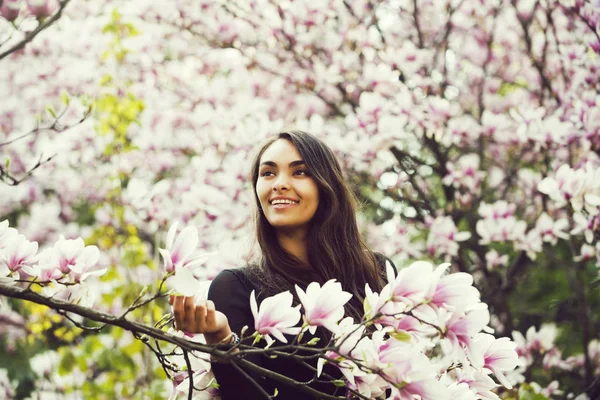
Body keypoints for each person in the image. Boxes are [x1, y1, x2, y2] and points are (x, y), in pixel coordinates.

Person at [170, 131, 397, 399]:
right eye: (268, 173)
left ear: (327, 186)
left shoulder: (376, 272)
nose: (279, 184)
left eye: (299, 172)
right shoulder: (236, 288)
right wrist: (221, 340)